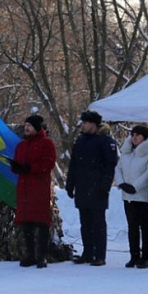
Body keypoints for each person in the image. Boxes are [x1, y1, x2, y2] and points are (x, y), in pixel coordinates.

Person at [66, 110, 118, 266]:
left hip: (97, 187)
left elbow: (110, 165)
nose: (82, 125)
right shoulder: (80, 140)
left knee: (98, 223)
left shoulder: (105, 141)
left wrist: (105, 186)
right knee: (85, 222)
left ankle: (100, 255)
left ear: (93, 124)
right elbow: (74, 164)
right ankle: (87, 252)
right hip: (82, 186)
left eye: (85, 123)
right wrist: (70, 184)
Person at [9, 115, 57, 268]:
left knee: (42, 222)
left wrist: (30, 168)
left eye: (29, 125)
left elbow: (48, 163)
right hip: (24, 188)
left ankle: (41, 255)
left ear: (37, 128)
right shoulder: (21, 146)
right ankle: (30, 254)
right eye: (26, 125)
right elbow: (17, 162)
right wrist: (16, 167)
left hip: (39, 187)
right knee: (26, 222)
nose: (26, 128)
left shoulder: (46, 143)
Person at [113, 124, 148, 269]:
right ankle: (134, 255)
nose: (134, 138)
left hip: (143, 196)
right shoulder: (126, 153)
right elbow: (118, 168)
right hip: (128, 196)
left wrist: (135, 186)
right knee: (132, 227)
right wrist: (121, 183)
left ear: (144, 137)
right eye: (133, 135)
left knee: (145, 226)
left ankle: (146, 256)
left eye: (138, 135)